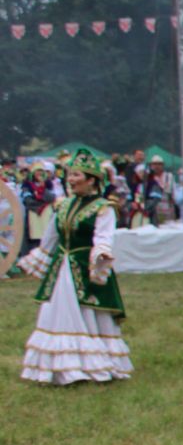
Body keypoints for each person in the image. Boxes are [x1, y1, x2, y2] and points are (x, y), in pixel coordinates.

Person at [14, 151, 131, 385]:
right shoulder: (63, 205)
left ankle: (92, 366)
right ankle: (60, 369)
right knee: (56, 316)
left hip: (86, 267)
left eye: (76, 175)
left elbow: (103, 237)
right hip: (61, 270)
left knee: (89, 315)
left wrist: (101, 255)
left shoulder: (103, 208)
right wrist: (35, 259)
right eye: (69, 175)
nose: (71, 179)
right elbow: (50, 238)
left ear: (91, 180)